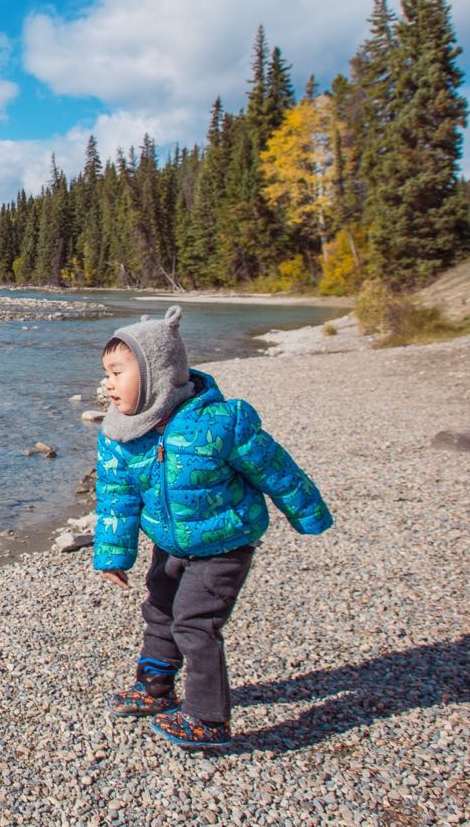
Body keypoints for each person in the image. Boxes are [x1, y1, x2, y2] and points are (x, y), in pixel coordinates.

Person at [93, 305, 332, 749]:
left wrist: (308, 513)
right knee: (159, 612)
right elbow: (116, 497)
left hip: (225, 542)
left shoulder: (220, 423)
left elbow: (275, 470)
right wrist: (112, 553)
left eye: (116, 372)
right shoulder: (120, 434)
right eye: (105, 373)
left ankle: (208, 719)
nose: (105, 383)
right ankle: (154, 688)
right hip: (170, 542)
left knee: (194, 624)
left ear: (157, 375)